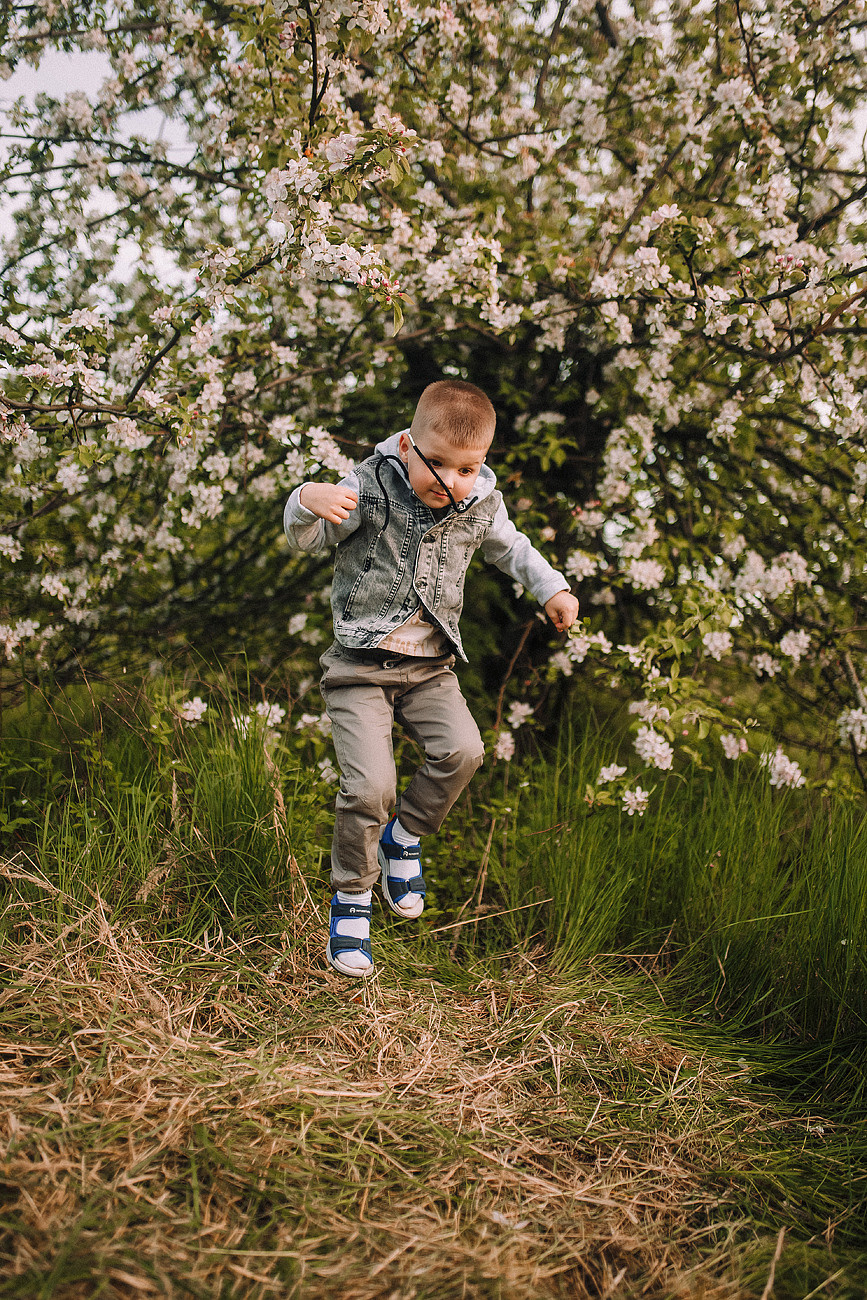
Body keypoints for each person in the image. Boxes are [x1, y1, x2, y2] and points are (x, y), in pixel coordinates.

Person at [283, 379, 580, 977]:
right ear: (406, 444)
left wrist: (552, 586)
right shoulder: (366, 485)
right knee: (370, 788)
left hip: (430, 667)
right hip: (360, 667)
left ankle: (405, 835)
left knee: (464, 750)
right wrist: (304, 499)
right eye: (437, 464)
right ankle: (352, 899)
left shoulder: (480, 501)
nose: (451, 482)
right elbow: (309, 537)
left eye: (468, 469)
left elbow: (513, 548)